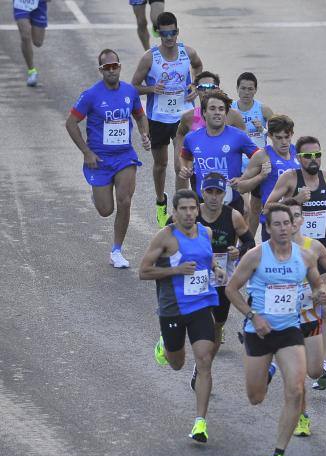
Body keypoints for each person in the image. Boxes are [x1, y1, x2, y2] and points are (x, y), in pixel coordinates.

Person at [225, 203, 326, 456]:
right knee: (256, 397)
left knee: (296, 389)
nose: (284, 228)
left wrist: (321, 294)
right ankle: (267, 370)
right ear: (268, 228)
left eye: (288, 223)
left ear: (294, 226)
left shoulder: (305, 257)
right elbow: (231, 289)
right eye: (278, 224)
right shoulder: (255, 256)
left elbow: (318, 283)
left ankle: (278, 455)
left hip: (289, 331)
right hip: (258, 331)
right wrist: (252, 316)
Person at [139, 189, 227, 444]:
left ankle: (200, 422)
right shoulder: (165, 238)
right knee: (177, 363)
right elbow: (143, 271)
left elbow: (206, 260)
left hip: (201, 304)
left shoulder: (205, 232)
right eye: (183, 209)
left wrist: (217, 268)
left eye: (192, 208)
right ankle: (165, 345)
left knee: (205, 360)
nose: (189, 213)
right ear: (174, 213)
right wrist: (176, 270)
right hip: (173, 308)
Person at [66, 49, 151, 268]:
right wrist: (86, 152)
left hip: (124, 156)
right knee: (106, 210)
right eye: (107, 67)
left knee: (125, 200)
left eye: (115, 66)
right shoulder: (91, 95)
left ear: (120, 66)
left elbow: (140, 115)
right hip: (100, 160)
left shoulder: (130, 92)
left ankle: (117, 250)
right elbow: (71, 123)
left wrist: (144, 133)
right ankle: (97, 196)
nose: (112, 70)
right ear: (101, 70)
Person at [131, 11, 203, 227]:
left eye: (172, 33)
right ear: (158, 34)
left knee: (180, 164)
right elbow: (133, 86)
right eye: (164, 34)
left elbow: (199, 66)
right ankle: (161, 201)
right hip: (159, 117)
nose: (169, 37)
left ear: (177, 31)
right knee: (161, 164)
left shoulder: (187, 53)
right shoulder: (150, 57)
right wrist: (153, 88)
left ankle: (182, 211)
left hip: (184, 115)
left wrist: (195, 86)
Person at [184, 174, 254, 390]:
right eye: (209, 192)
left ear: (225, 194)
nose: (214, 197)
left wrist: (238, 250)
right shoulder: (191, 215)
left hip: (222, 279)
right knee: (200, 323)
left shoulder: (232, 216)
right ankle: (201, 363)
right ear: (202, 193)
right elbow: (173, 237)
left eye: (219, 193)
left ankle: (203, 366)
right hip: (196, 279)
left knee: (217, 325)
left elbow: (249, 240)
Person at [283, 198, 326, 437]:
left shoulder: (313, 247)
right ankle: (302, 417)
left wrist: (324, 288)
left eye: (295, 216)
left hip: (311, 317)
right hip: (286, 321)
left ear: (302, 219)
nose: (291, 222)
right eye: (286, 218)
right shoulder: (272, 249)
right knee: (296, 374)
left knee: (313, 371)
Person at [178, 90, 267, 216]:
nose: (217, 112)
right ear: (204, 112)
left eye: (221, 109)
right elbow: (185, 157)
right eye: (212, 108)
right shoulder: (192, 138)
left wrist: (244, 178)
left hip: (232, 203)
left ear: (226, 113)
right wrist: (185, 168)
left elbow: (259, 158)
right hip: (202, 202)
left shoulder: (239, 136)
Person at [265, 136, 326, 262]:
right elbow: (267, 208)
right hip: (296, 242)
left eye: (317, 154)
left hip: (323, 240)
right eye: (307, 156)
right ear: (298, 158)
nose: (313, 159)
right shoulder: (289, 178)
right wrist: (296, 200)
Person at [237, 114, 299, 240]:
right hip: (273, 222)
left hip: (297, 220)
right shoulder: (262, 156)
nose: (284, 142)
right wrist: (261, 176)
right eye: (279, 138)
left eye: (287, 137)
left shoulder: (297, 152)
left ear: (292, 134)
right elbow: (241, 187)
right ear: (270, 135)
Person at [232, 72, 274, 234]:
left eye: (250, 89)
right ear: (237, 89)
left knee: (256, 209)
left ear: (255, 90)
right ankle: (242, 240)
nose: (246, 93)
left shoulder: (263, 110)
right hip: (237, 163)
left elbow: (281, 134)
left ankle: (249, 243)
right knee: (245, 209)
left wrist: (262, 130)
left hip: (257, 164)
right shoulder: (231, 110)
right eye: (243, 88)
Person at [14, 0, 48, 86]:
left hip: (39, 3)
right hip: (21, 3)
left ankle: (33, 21)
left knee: (38, 42)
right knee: (25, 36)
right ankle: (32, 71)